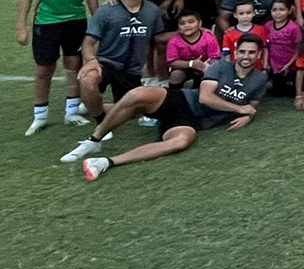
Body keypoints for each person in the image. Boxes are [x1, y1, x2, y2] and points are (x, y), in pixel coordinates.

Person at [73, 35, 266, 182]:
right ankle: (95, 139)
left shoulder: (260, 78)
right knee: (137, 95)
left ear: (258, 55)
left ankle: (106, 162)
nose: (246, 56)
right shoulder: (221, 67)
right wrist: (238, 109)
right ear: (236, 53)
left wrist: (248, 116)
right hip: (180, 100)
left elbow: (251, 105)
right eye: (242, 52)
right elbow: (205, 97)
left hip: (191, 121)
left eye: (251, 52)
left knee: (180, 142)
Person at [60, 0, 164, 161]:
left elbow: (156, 41)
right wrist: (91, 61)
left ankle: (92, 106)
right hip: (106, 64)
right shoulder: (107, 11)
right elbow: (88, 42)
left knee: (131, 112)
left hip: (132, 71)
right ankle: (100, 123)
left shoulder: (152, 11)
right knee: (88, 79)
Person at [18, 0, 100, 135]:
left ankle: (71, 111)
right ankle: (40, 116)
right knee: (44, 68)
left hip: (75, 21)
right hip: (47, 22)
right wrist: (22, 26)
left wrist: (98, 22)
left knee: (73, 65)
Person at [165, 8, 222, 88]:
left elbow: (215, 57)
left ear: (200, 23)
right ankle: (174, 96)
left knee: (214, 69)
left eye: (191, 22)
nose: (186, 25)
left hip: (204, 66)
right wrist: (191, 64)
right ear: (178, 27)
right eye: (182, 23)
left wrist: (204, 66)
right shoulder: (174, 41)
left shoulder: (209, 37)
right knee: (176, 75)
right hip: (184, 67)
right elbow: (172, 62)